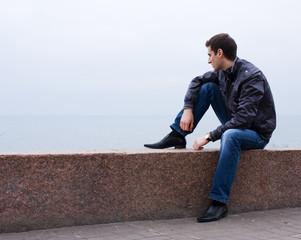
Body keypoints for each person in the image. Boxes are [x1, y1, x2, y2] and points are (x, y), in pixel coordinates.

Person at [144, 33, 276, 222]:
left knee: (230, 135)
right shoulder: (222, 73)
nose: (208, 60)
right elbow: (196, 81)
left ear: (219, 53)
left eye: (209, 55)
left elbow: (243, 120)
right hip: (237, 123)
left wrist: (208, 136)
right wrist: (188, 108)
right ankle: (177, 134)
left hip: (256, 133)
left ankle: (219, 203)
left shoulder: (251, 77)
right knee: (206, 88)